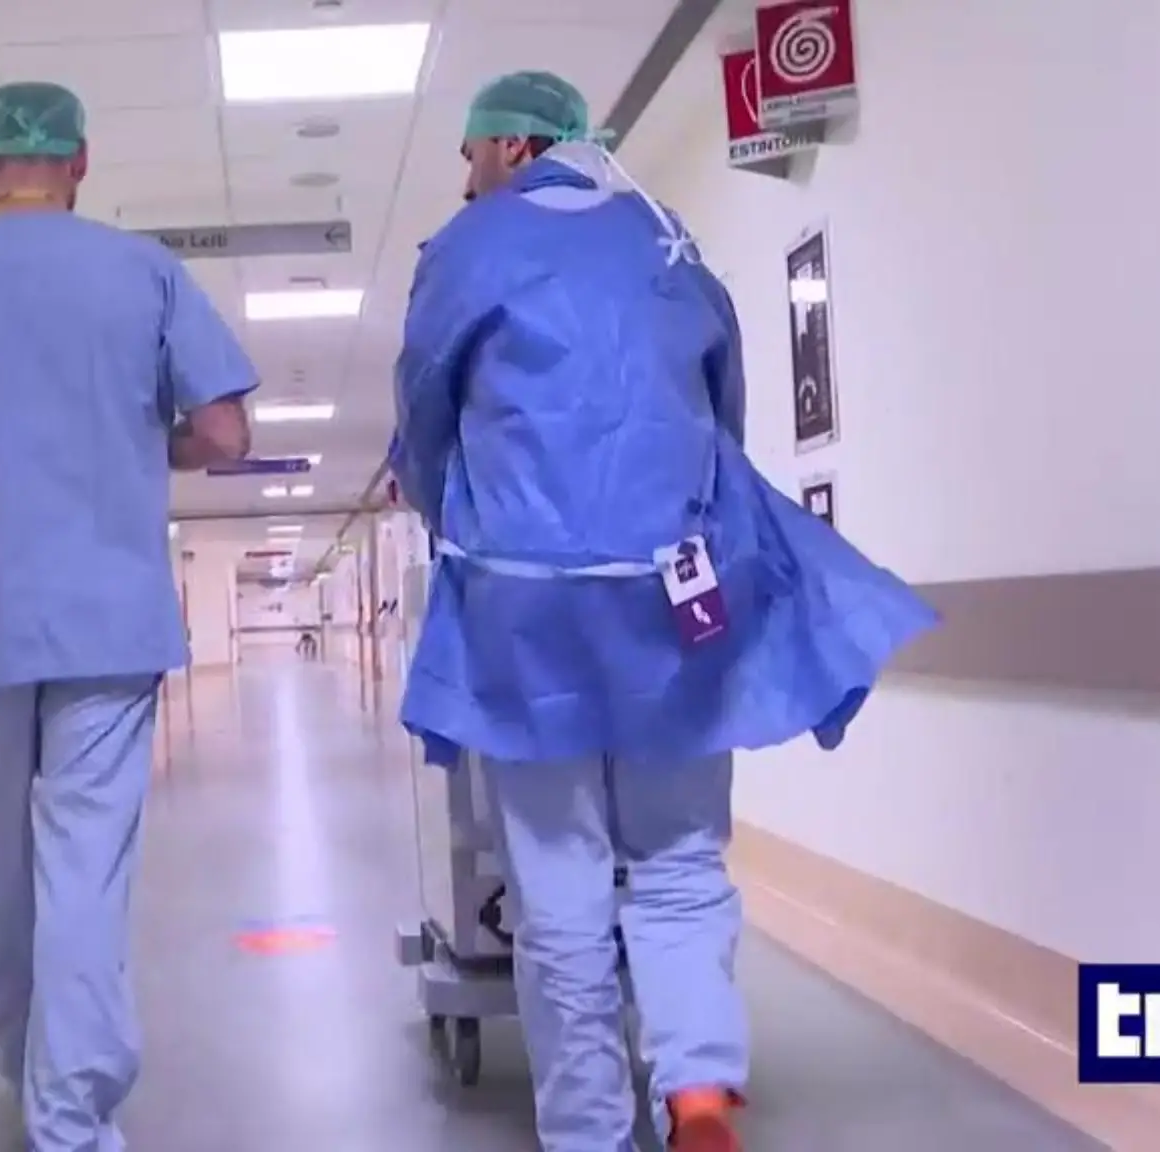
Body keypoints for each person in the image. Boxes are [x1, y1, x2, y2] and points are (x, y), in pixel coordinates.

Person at [390, 73, 936, 1151]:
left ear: (514, 147)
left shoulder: (467, 249)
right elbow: (722, 418)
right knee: (679, 858)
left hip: (525, 601)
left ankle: (587, 1131)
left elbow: (425, 414)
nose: (465, 175)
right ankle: (695, 1089)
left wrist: (453, 509)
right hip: (674, 587)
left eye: (471, 151)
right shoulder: (664, 237)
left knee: (559, 886)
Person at [0, 81, 257, 1151]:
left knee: (8, 853)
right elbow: (224, 433)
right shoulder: (143, 272)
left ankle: (20, 1046)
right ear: (80, 165)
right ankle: (68, 1112)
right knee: (85, 858)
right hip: (111, 624)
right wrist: (139, 441)